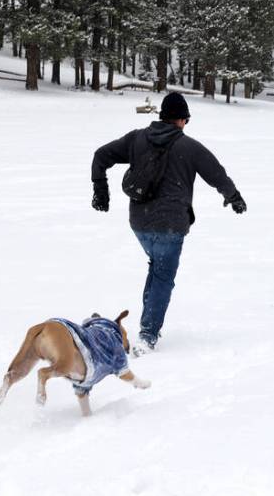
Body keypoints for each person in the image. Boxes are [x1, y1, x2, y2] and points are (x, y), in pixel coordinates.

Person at [91, 92, 246, 355]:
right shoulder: (190, 147)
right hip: (171, 225)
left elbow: (101, 155)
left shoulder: (136, 139)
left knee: (157, 268)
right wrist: (234, 197)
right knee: (162, 276)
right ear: (182, 120)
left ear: (162, 116)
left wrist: (100, 189)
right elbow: (217, 175)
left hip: (139, 222)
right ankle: (147, 336)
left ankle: (147, 326)